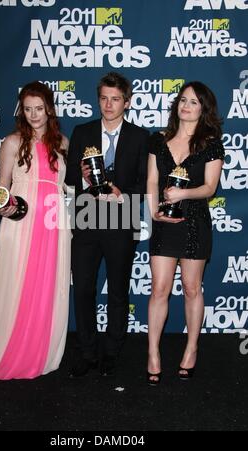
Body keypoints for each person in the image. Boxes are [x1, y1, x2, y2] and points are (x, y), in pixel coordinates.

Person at [0, 81, 70, 381]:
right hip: (21, 223)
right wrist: (2, 204)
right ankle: (8, 353)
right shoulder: (12, 142)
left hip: (55, 225)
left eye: (39, 108)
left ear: (49, 109)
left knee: (49, 289)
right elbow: (2, 186)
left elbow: (70, 187)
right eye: (27, 109)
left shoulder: (63, 143)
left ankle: (41, 353)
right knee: (16, 285)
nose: (34, 114)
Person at [65, 72, 150, 377]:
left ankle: (111, 351)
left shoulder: (141, 136)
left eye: (115, 99)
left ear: (127, 102)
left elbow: (145, 183)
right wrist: (84, 177)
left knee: (117, 291)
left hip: (122, 218)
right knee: (84, 289)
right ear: (98, 99)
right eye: (103, 98)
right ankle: (87, 352)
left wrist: (121, 194)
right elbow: (69, 179)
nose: (108, 104)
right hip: (87, 218)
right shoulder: (81, 131)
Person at [146, 81, 225, 385]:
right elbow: (152, 181)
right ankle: (153, 353)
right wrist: (154, 211)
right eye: (182, 100)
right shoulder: (158, 140)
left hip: (195, 224)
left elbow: (210, 187)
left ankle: (191, 348)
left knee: (192, 289)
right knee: (159, 289)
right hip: (164, 224)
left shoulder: (211, 143)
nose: (186, 106)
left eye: (193, 102)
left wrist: (183, 195)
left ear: (203, 109)